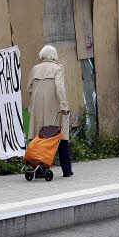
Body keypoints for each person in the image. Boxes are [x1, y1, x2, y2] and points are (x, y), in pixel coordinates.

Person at [27, 45, 73, 177]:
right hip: (54, 108)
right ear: (54, 56)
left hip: (37, 109)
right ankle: (67, 170)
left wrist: (36, 98)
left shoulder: (35, 69)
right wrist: (64, 105)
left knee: (38, 137)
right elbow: (60, 88)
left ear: (42, 56)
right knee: (61, 137)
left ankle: (38, 170)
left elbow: (29, 87)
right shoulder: (58, 68)